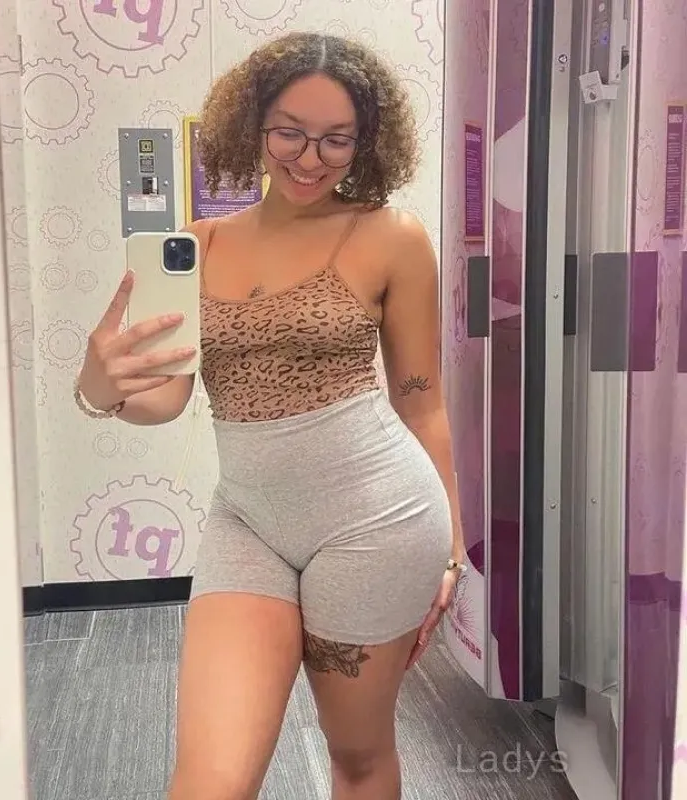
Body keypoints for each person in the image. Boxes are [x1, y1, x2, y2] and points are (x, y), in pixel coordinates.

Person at [76, 31, 465, 800]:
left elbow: (422, 403)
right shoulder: (199, 245)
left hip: (377, 522)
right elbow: (165, 399)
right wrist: (100, 386)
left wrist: (452, 547)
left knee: (356, 756)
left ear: (366, 142)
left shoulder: (390, 237)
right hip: (249, 522)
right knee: (210, 781)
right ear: (253, 124)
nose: (310, 158)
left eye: (336, 139)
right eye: (290, 131)